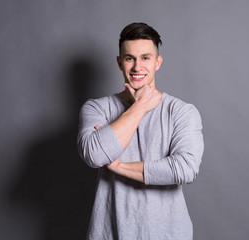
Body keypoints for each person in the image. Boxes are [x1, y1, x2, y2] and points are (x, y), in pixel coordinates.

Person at [78, 22, 204, 240]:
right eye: (129, 58)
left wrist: (119, 166)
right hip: (110, 232)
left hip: (168, 234)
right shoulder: (96, 108)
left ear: (158, 62)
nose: (137, 67)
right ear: (119, 62)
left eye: (145, 58)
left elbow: (185, 169)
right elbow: (95, 155)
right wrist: (141, 106)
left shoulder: (182, 111)